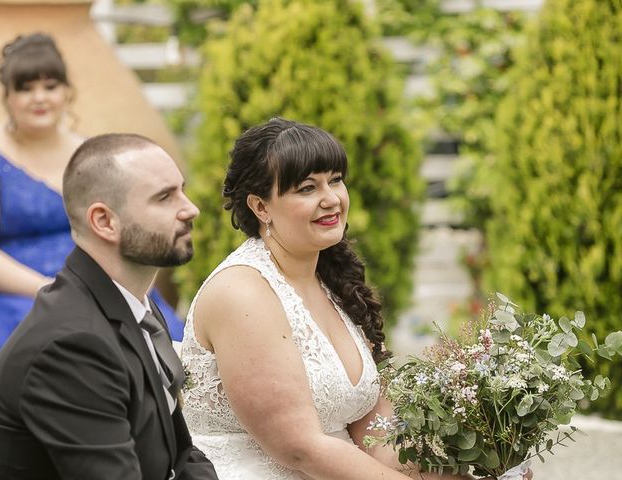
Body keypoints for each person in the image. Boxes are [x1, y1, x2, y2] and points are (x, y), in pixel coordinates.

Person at [180, 117, 472, 480]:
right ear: (261, 207)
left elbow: (377, 439)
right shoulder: (241, 293)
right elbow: (301, 449)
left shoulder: (333, 283)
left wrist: (462, 476)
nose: (331, 199)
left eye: (335, 180)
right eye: (307, 188)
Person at [0, 133, 219, 479]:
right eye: (165, 197)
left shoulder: (135, 305)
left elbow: (180, 454)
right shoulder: (71, 345)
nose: (190, 208)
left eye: (181, 189)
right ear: (104, 222)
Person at [0, 32, 184, 355]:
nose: (39, 98)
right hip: (21, 295)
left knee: (161, 343)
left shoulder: (90, 154)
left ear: (67, 92)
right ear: (7, 96)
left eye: (50, 86)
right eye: (26, 88)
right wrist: (47, 288)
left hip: (100, 282)